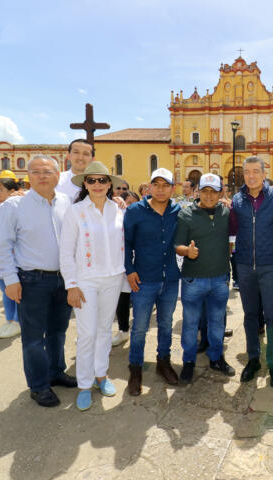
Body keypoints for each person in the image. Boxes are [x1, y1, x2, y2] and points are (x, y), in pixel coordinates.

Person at [0, 155, 76, 407]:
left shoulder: (67, 202)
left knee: (58, 331)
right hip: (31, 280)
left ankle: (55, 372)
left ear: (57, 175)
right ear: (28, 176)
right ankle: (39, 386)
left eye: (48, 171)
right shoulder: (14, 206)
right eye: (37, 171)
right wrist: (10, 280)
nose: (42, 176)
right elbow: (2, 247)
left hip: (63, 280)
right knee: (32, 337)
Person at [60, 161, 125, 411]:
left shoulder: (118, 209)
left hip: (112, 278)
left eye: (102, 180)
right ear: (85, 184)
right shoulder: (75, 212)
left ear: (109, 184)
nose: (97, 185)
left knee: (104, 329)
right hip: (85, 280)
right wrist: (71, 285)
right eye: (91, 180)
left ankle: (101, 375)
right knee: (87, 333)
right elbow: (66, 252)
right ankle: (84, 384)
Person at [229, 156, 273, 388]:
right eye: (247, 172)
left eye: (256, 171)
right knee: (250, 316)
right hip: (245, 266)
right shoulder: (237, 200)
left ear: (264, 174)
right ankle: (253, 359)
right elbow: (232, 228)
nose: (251, 176)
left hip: (271, 266)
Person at [123, 168, 181, 395]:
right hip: (144, 278)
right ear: (149, 187)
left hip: (169, 279)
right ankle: (135, 368)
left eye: (165, 185)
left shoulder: (178, 211)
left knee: (166, 324)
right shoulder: (135, 211)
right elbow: (126, 243)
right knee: (139, 327)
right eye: (156, 184)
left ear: (172, 188)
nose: (160, 189)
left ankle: (163, 362)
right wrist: (129, 269)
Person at [174, 173, 234, 383]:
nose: (209, 196)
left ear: (220, 193)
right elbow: (177, 245)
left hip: (219, 278)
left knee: (217, 322)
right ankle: (188, 361)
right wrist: (186, 252)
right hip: (194, 279)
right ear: (198, 191)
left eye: (213, 191)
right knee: (190, 323)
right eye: (205, 191)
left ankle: (216, 358)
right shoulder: (186, 214)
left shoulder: (226, 212)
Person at [0, 178, 22, 339]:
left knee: (15, 288)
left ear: (12, 192)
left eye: (1, 189)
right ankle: (9, 320)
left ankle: (17, 321)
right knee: (5, 290)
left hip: (13, 256)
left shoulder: (19, 207)